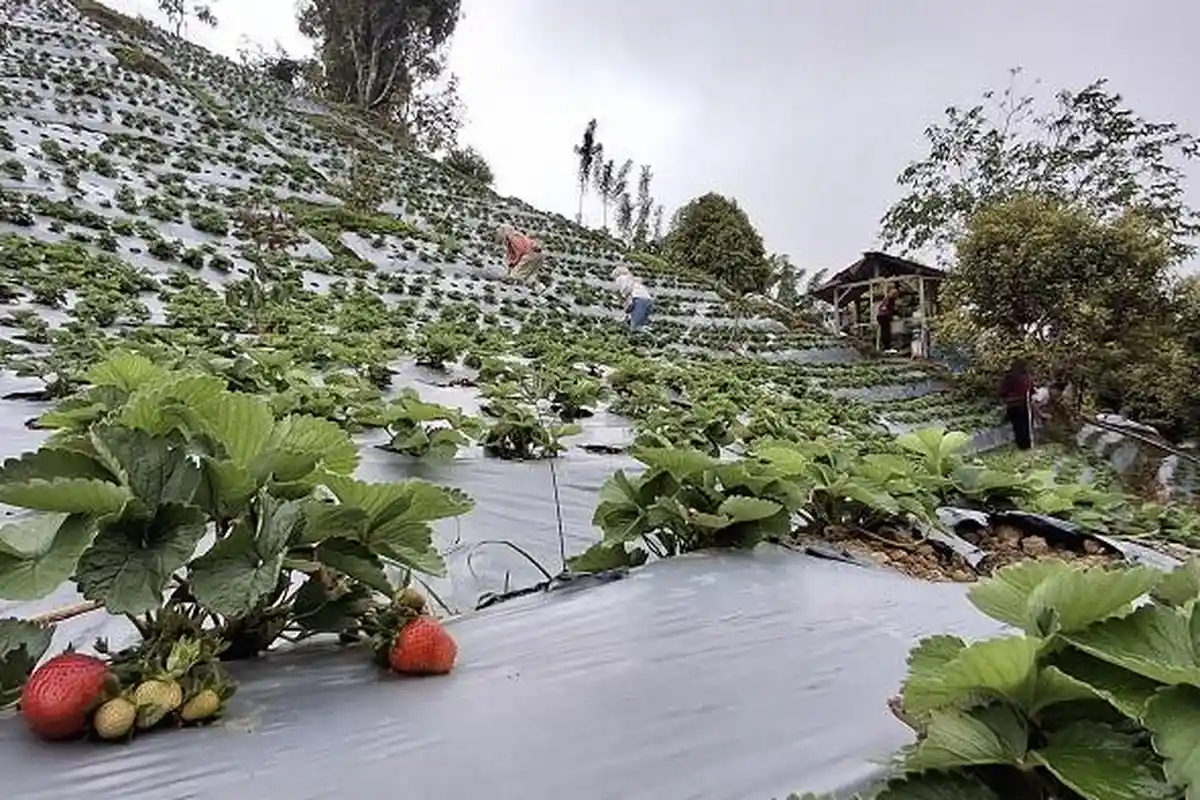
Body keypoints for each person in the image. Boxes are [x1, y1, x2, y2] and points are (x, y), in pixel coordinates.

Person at [999, 359, 1035, 450]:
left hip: (1012, 405)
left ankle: (1021, 445)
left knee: (1017, 426)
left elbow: (1002, 391)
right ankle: (1026, 445)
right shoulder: (1025, 378)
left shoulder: (1009, 377)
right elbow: (1031, 390)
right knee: (1025, 426)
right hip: (1023, 404)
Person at [611, 265, 653, 332]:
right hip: (648, 300)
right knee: (641, 324)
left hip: (639, 300)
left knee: (634, 327)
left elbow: (626, 290)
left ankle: (645, 334)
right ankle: (648, 332)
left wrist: (621, 297)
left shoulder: (621, 278)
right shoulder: (633, 279)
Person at [876, 283, 900, 352]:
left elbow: (884, 308)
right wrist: (895, 313)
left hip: (882, 316)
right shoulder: (890, 299)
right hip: (884, 316)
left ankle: (885, 346)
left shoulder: (886, 299)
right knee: (886, 331)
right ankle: (887, 347)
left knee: (885, 330)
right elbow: (888, 308)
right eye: (896, 294)